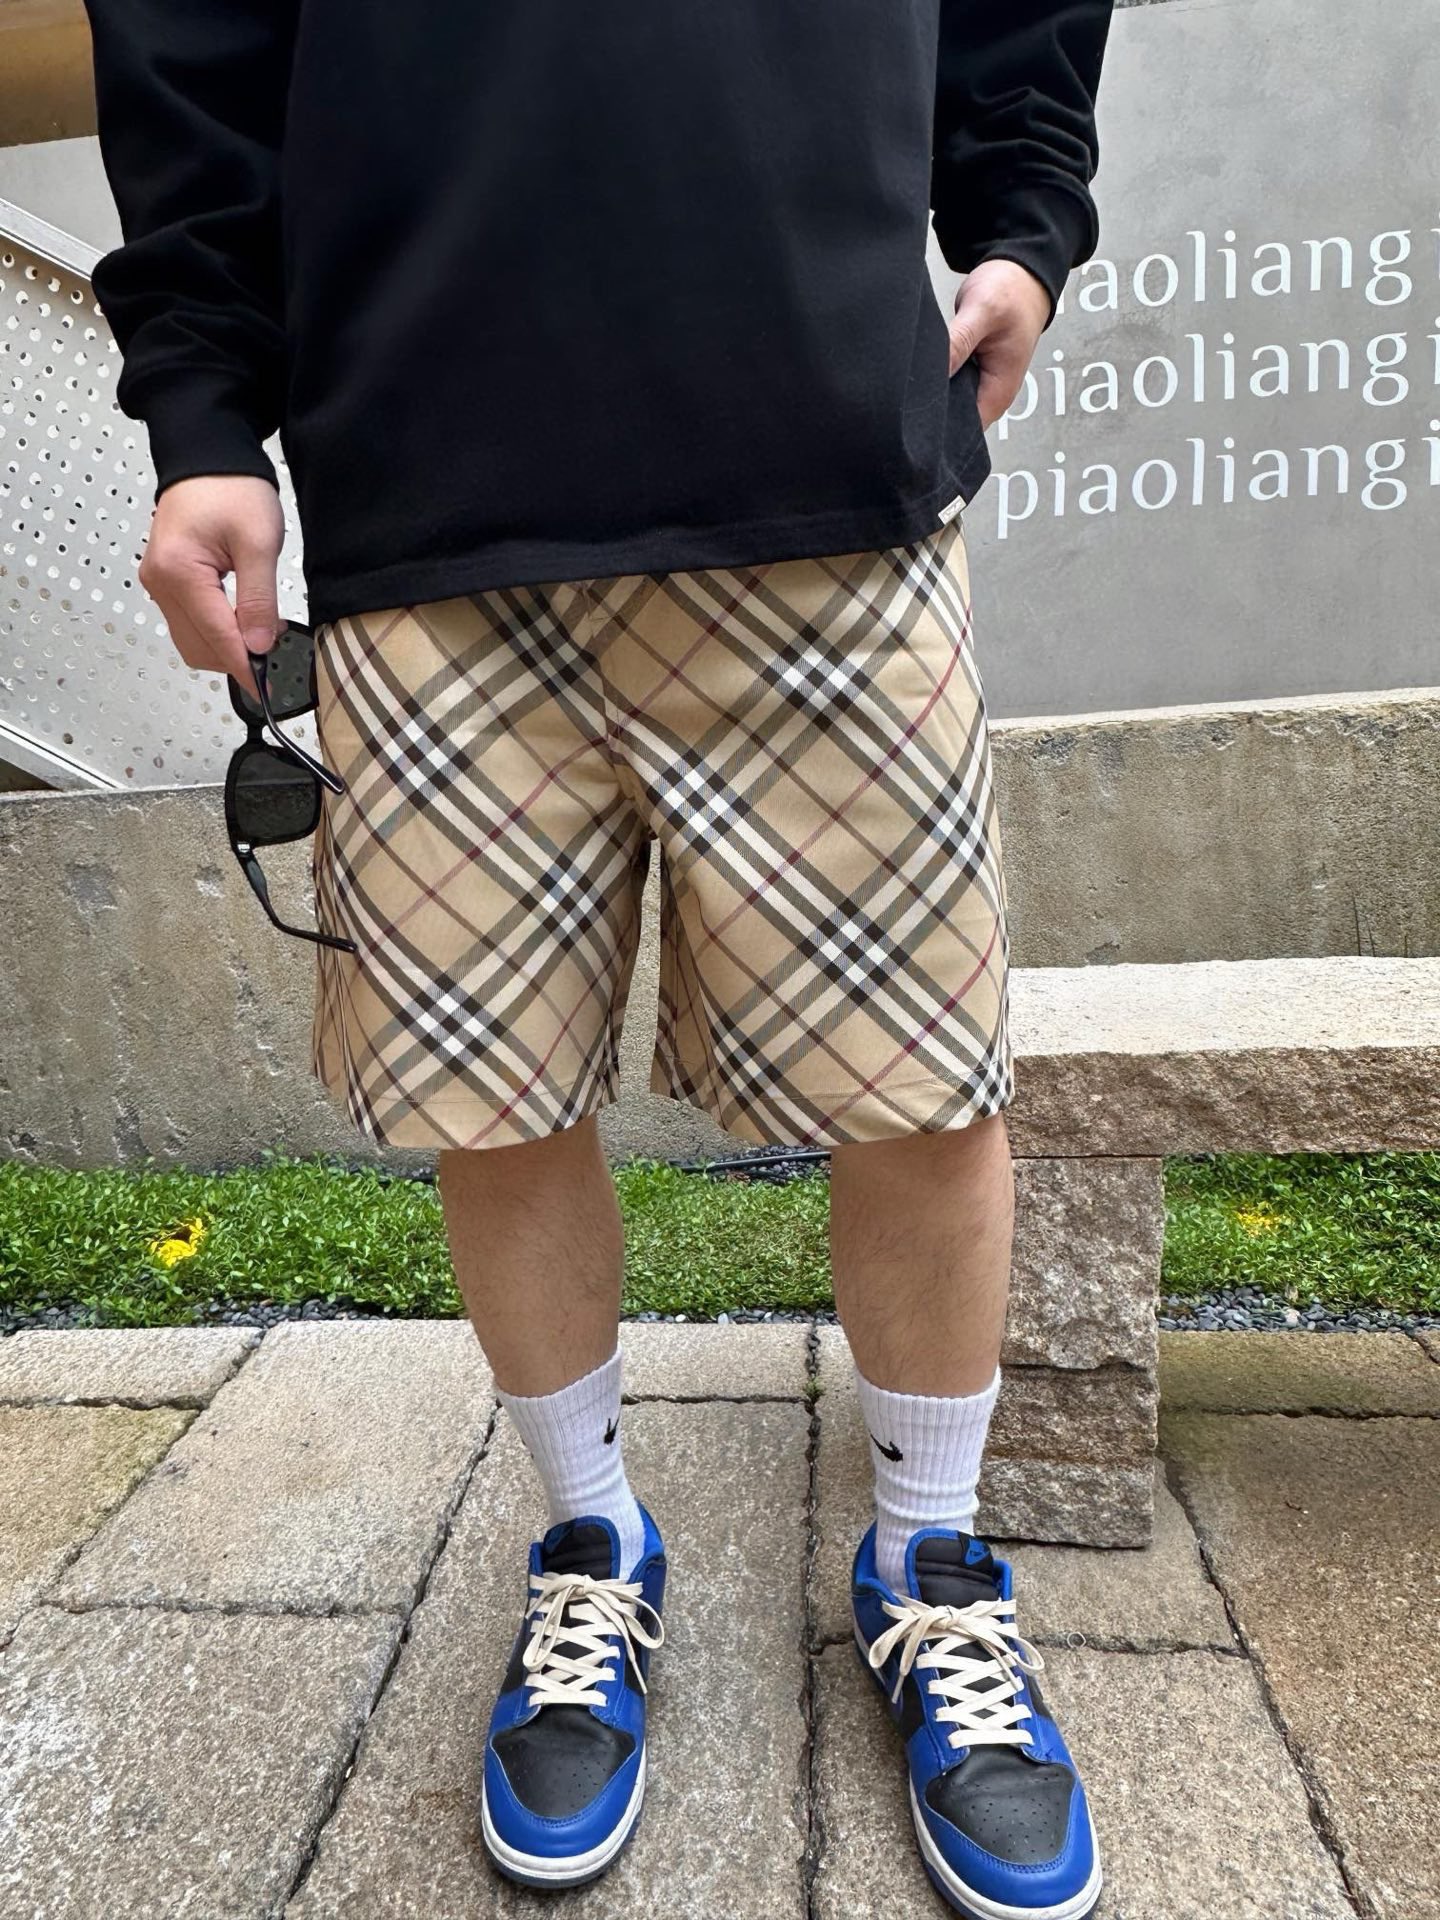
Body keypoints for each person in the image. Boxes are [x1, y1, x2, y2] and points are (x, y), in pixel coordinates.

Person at [81, 1, 1114, 1912]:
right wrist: (204, 416)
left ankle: (932, 1563)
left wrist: (1024, 217)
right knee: (492, 1095)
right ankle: (591, 1543)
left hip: (824, 449)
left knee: (922, 1081)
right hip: (423, 481)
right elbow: (186, 43)